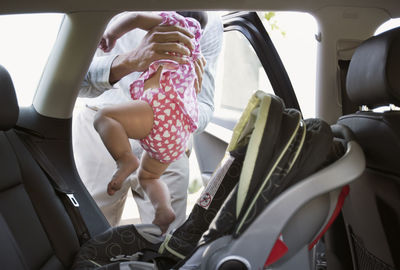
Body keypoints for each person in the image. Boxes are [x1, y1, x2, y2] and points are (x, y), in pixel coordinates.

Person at [73, 11, 223, 232]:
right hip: (172, 134)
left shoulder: (177, 20)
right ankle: (163, 209)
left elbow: (134, 19)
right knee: (150, 180)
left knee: (104, 118)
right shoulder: (199, 29)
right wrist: (179, 120)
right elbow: (74, 78)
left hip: (152, 115)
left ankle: (125, 159)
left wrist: (111, 35)